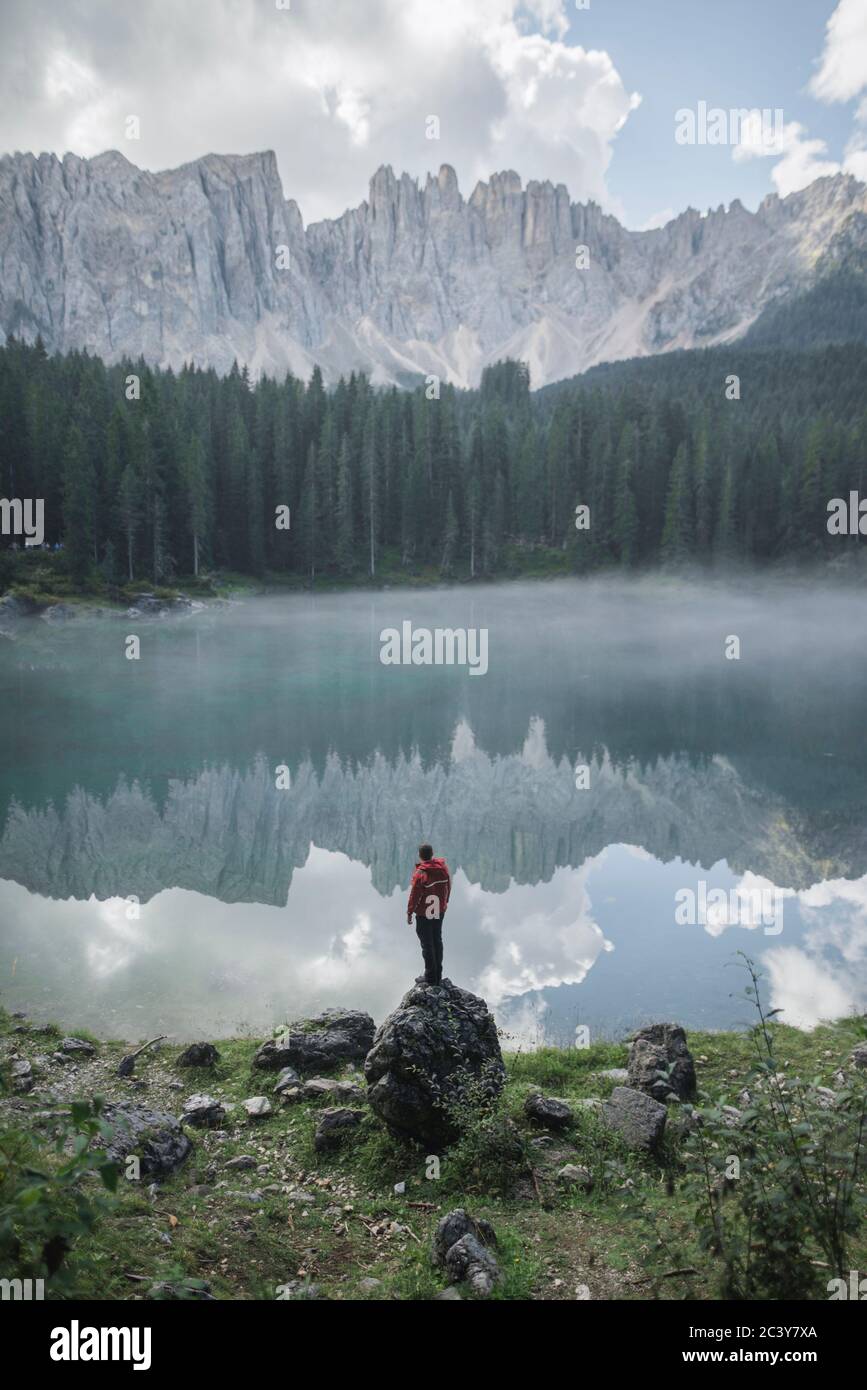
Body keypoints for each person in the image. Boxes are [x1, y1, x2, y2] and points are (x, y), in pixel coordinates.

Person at [407, 842, 451, 985]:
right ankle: (437, 974)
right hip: (439, 910)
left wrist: (409, 912)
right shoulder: (443, 869)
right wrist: (446, 902)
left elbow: (414, 895)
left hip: (424, 914)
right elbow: (448, 886)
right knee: (437, 941)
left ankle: (430, 978)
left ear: (420, 855)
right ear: (432, 854)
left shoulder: (420, 874)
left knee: (427, 945)